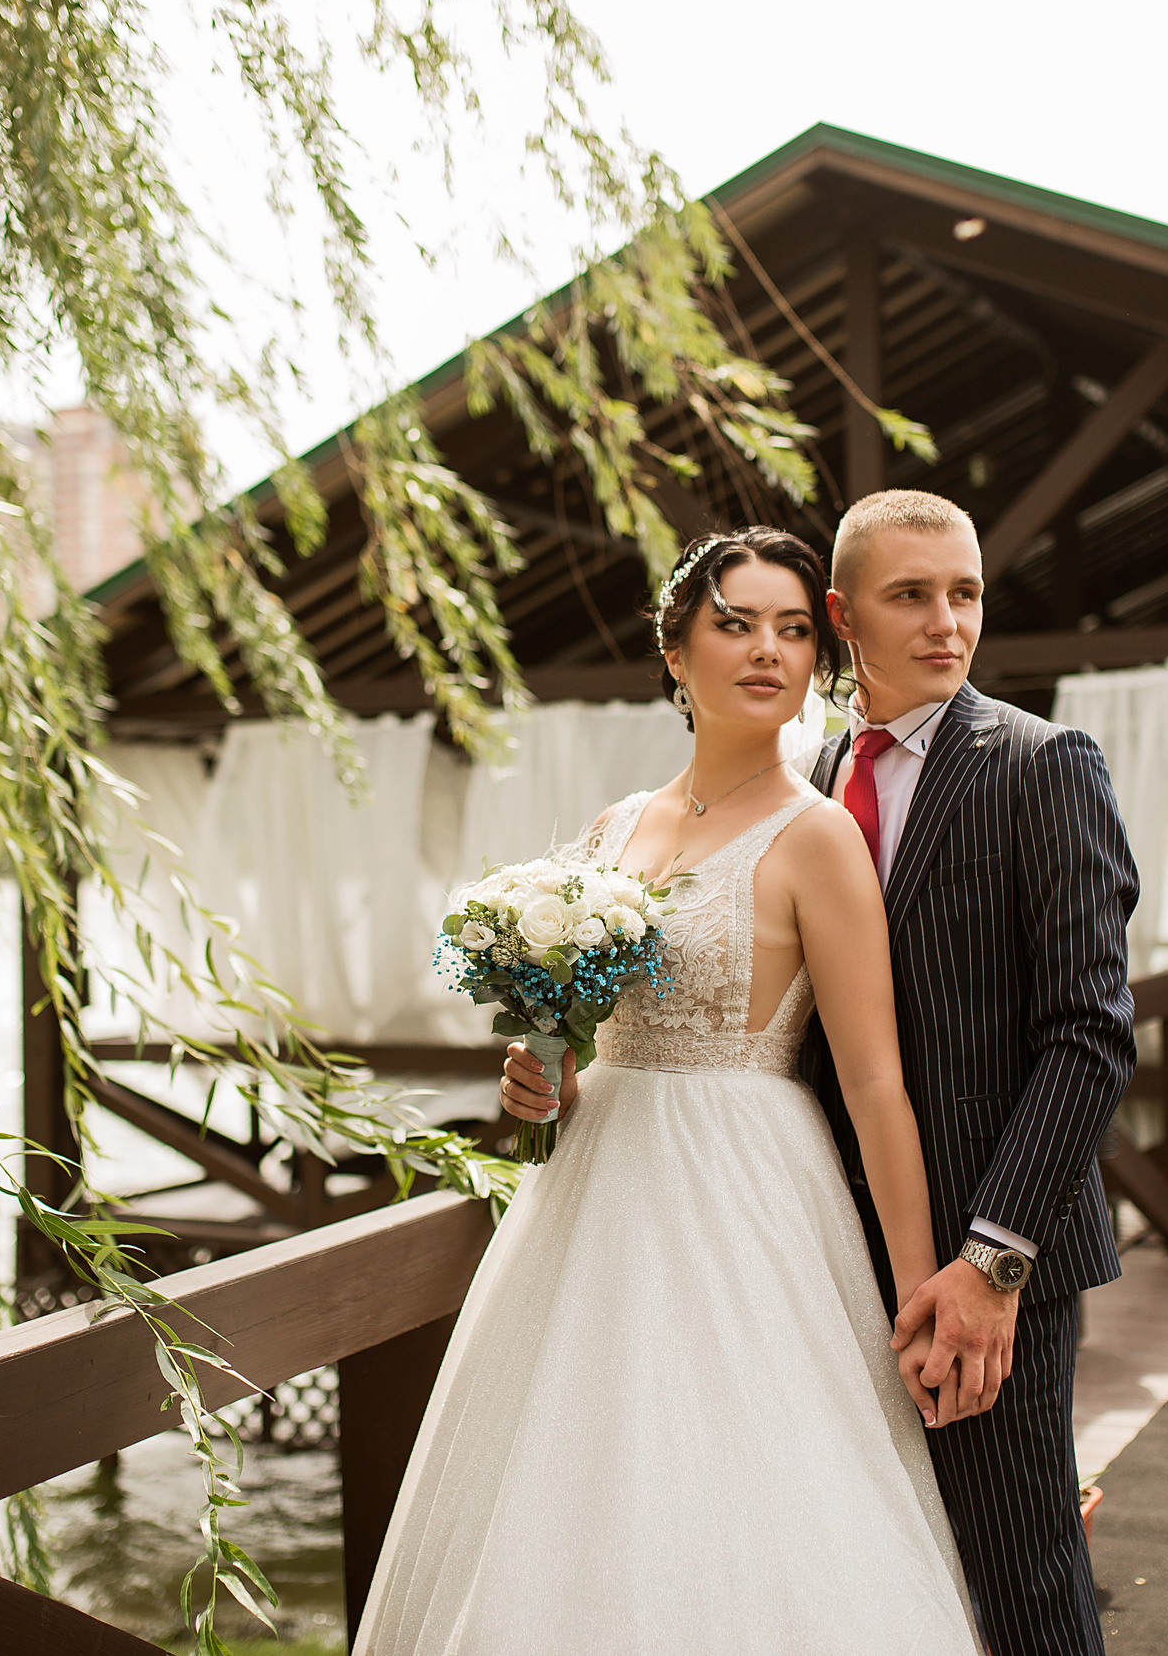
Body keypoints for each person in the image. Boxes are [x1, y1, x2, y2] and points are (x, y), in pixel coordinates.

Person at [507, 491, 1139, 1654]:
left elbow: (1090, 1037)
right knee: (834, 1567)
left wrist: (988, 1264)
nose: (948, 623)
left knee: (1021, 1574)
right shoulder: (817, 764)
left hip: (985, 1252)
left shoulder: (1041, 764)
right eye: (912, 595)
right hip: (793, 1249)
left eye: (966, 594)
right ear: (850, 615)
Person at [356, 526, 982, 1654]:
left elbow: (877, 1079)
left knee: (743, 1465)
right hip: (595, 1186)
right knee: (572, 1465)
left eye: (793, 628)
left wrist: (916, 1283)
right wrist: (539, 1076)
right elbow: (584, 1044)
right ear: (676, 649)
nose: (767, 651)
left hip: (743, 1182)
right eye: (735, 622)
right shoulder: (613, 827)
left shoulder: (819, 837)